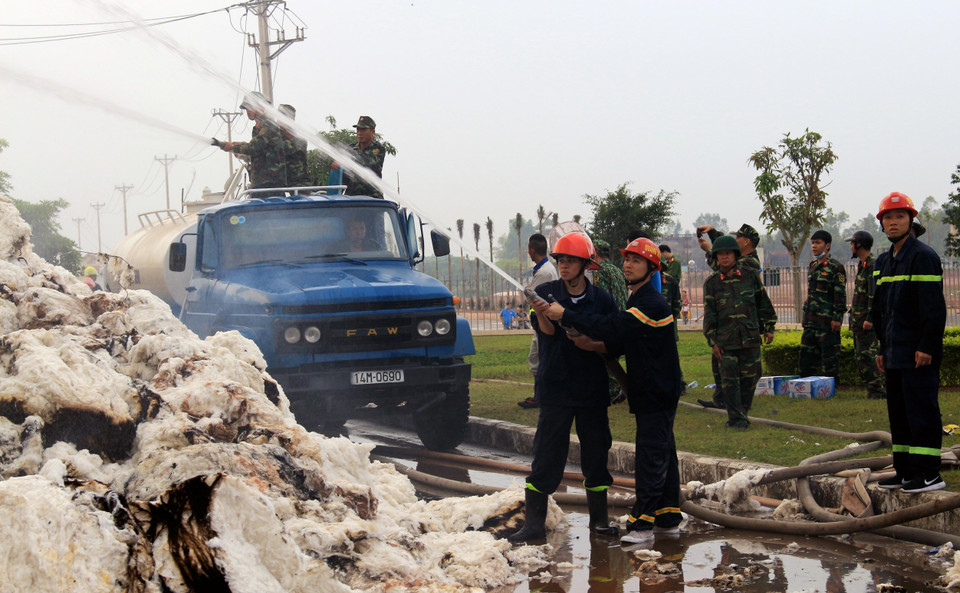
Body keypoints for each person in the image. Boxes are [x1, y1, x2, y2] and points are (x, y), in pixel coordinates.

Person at [538, 238, 683, 543]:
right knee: (664, 454)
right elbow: (623, 339)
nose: (628, 265)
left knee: (651, 456)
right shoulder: (638, 300)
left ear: (652, 268)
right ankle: (668, 517)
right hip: (652, 390)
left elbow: (613, 327)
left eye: (636, 261)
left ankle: (642, 525)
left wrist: (566, 315)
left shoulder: (649, 303)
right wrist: (595, 345)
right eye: (627, 259)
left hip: (655, 392)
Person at [509, 233, 619, 542]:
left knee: (596, 454)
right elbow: (546, 333)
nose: (564, 265)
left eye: (570, 260)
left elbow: (611, 336)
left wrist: (584, 334)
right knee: (546, 454)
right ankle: (534, 525)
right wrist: (543, 312)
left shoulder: (601, 299)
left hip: (592, 390)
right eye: (561, 260)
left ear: (585, 264)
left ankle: (599, 522)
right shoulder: (547, 292)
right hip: (556, 388)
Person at [870, 192, 947, 493]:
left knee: (922, 412)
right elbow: (881, 310)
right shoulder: (884, 261)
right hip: (894, 352)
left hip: (917, 353)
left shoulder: (923, 257)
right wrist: (882, 349)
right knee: (900, 414)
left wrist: (926, 346)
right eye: (888, 217)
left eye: (900, 216)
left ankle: (929, 474)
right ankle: (905, 470)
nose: (893, 222)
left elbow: (933, 309)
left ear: (911, 220)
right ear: (882, 223)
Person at [701, 235, 777, 429]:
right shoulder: (712, 283)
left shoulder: (749, 276)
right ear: (716, 257)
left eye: (728, 253)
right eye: (720, 254)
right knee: (730, 381)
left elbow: (763, 302)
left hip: (750, 338)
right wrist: (713, 342)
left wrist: (769, 327)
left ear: (735, 255)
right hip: (726, 342)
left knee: (751, 377)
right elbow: (710, 315)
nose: (725, 257)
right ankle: (736, 419)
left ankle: (742, 412)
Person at [518, 233, 559, 409]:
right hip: (541, 321)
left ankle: (541, 396)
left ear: (532, 250)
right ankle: (540, 395)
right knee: (537, 359)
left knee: (537, 359)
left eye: (529, 250)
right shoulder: (546, 269)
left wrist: (527, 292)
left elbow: (532, 297)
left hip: (543, 321)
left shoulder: (544, 272)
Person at [799, 230, 846, 385]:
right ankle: (805, 387)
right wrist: (805, 316)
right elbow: (811, 294)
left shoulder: (836, 267)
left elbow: (840, 295)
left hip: (827, 323)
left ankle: (831, 389)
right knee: (806, 360)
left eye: (818, 243)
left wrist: (837, 318)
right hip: (811, 322)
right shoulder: (812, 266)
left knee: (830, 360)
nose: (814, 246)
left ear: (827, 245)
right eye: (812, 243)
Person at [845, 230, 885, 400]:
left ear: (859, 244)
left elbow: (873, 295)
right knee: (861, 357)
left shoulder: (872, 266)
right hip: (859, 321)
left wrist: (870, 319)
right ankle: (872, 390)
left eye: (852, 243)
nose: (851, 247)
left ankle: (878, 392)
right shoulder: (862, 266)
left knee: (869, 357)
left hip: (866, 322)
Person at [219, 91, 286, 189]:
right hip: (262, 182)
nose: (247, 111)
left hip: (270, 183)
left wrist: (233, 147)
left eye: (250, 107)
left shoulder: (268, 125)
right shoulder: (259, 127)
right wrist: (240, 145)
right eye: (246, 108)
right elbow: (259, 146)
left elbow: (256, 147)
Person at [331, 116, 386, 198]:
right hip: (352, 198)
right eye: (358, 130)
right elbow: (344, 176)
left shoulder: (378, 149)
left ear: (373, 132)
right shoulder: (351, 148)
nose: (360, 133)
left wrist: (345, 161)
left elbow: (368, 163)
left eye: (363, 130)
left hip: (372, 198)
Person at [277, 104, 311, 189]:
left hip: (299, 181)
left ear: (292, 118)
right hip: (280, 181)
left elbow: (291, 150)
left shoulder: (299, 136)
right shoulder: (276, 135)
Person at [591, 239, 628, 310]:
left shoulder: (598, 271)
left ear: (595, 253)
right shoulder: (617, 270)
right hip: (622, 314)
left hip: (610, 314)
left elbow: (601, 299)